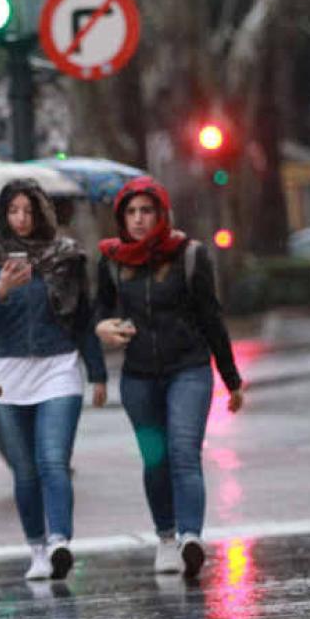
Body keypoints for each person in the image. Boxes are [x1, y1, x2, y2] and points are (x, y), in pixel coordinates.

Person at [94, 175, 244, 580]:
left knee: (183, 452)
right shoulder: (111, 261)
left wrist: (231, 379)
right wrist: (102, 328)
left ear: (162, 214)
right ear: (121, 218)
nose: (139, 219)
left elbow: (212, 318)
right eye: (131, 212)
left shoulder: (190, 255)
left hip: (189, 370)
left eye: (147, 211)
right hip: (138, 378)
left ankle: (190, 537)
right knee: (155, 460)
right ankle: (165, 538)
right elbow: (98, 312)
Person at [0, 179, 107, 582]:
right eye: (13, 211)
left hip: (59, 369)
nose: (22, 219)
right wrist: (1, 290)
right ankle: (37, 550)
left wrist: (96, 372)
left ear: (42, 213)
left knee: (52, 460)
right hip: (9, 375)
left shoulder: (67, 257)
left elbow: (83, 319)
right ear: (3, 215)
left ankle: (60, 540)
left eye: (29, 211)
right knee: (25, 471)